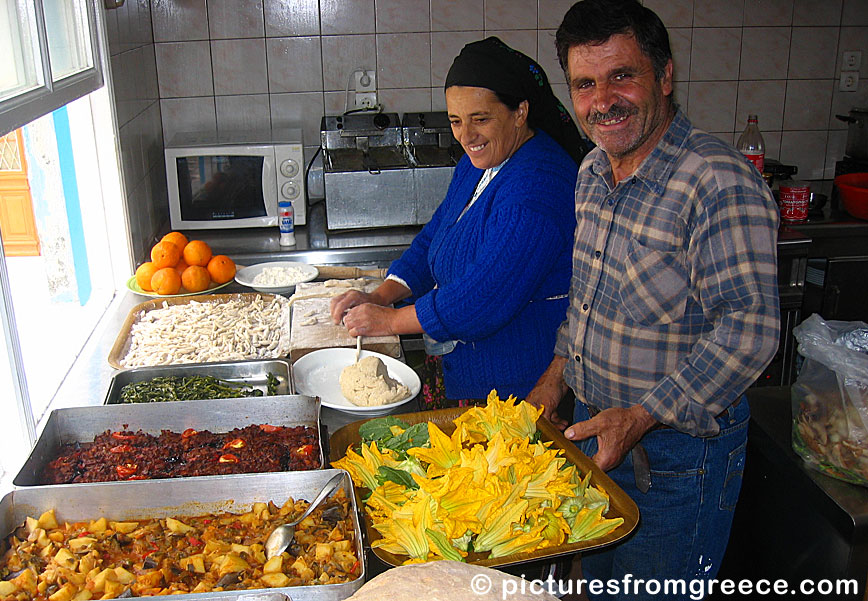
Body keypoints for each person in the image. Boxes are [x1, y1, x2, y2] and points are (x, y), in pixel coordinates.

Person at [525, 1, 781, 598]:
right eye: (585, 84)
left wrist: (640, 417)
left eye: (622, 76)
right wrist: (552, 382)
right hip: (597, 437)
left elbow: (751, 330)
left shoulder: (717, 182)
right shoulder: (591, 171)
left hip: (676, 461)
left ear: (664, 77)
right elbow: (588, 301)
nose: (602, 100)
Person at [330, 37, 587, 408]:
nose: (466, 136)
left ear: (520, 112)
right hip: (467, 374)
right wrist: (380, 295)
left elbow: (482, 299)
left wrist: (389, 322)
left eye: (480, 119)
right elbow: (436, 236)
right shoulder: (481, 162)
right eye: (455, 121)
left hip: (511, 392)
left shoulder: (538, 188)